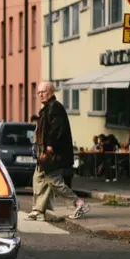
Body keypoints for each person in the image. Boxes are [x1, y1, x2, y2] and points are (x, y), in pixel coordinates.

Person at [28, 82, 88, 221]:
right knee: (39, 179)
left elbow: (56, 129)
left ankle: (79, 204)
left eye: (44, 92)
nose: (41, 95)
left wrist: (49, 147)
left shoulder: (55, 108)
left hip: (52, 153)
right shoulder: (48, 108)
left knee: (53, 181)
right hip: (46, 151)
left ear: (51, 92)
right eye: (39, 93)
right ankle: (39, 211)